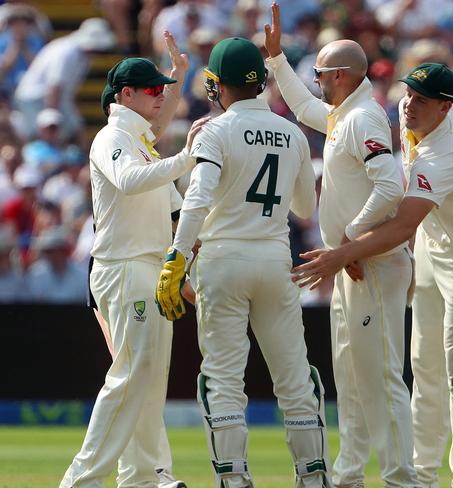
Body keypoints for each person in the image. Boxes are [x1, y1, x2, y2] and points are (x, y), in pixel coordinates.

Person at [292, 63, 453, 488]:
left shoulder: (442, 153)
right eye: (408, 95)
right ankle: (424, 473)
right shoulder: (419, 124)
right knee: (424, 363)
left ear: (446, 109)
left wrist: (344, 252)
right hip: (434, 243)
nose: (408, 106)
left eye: (422, 101)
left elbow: (401, 225)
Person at [155, 37, 332, 488]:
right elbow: (306, 211)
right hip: (275, 259)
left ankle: (233, 479)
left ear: (217, 85)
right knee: (294, 376)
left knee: (222, 377)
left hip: (222, 260)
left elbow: (197, 199)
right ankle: (313, 478)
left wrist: (176, 256)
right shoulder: (291, 131)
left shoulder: (214, 131)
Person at [265, 4, 420, 487]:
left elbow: (390, 189)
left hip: (370, 263)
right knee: (351, 378)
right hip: (351, 264)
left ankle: (400, 478)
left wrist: (350, 240)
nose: (315, 81)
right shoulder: (342, 115)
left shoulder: (364, 120)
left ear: (340, 76)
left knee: (380, 376)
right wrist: (276, 61)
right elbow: (305, 108)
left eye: (319, 74)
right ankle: (350, 475)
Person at [59, 49, 208, 487]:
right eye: (152, 89)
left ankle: (143, 478)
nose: (161, 95)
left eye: (163, 88)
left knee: (146, 379)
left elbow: (173, 213)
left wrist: (185, 266)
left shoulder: (142, 143)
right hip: (123, 268)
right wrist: (186, 158)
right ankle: (80, 480)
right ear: (126, 95)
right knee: (129, 377)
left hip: (148, 269)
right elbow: (128, 180)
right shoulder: (113, 138)